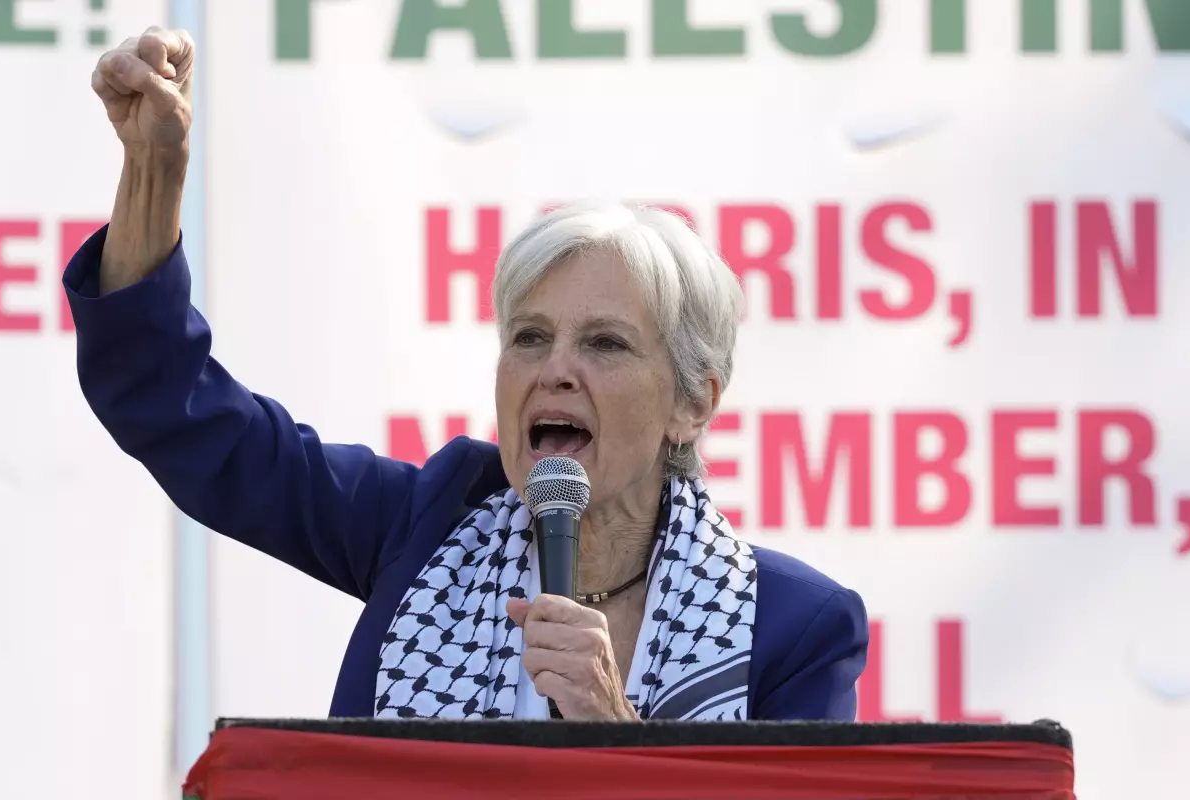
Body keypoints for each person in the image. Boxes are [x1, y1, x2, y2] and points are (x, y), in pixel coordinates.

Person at [68, 27, 868, 722]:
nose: (555, 370)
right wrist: (154, 172)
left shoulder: (796, 628)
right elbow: (177, 412)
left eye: (605, 345)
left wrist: (614, 725)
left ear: (693, 402)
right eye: (529, 336)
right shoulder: (422, 524)